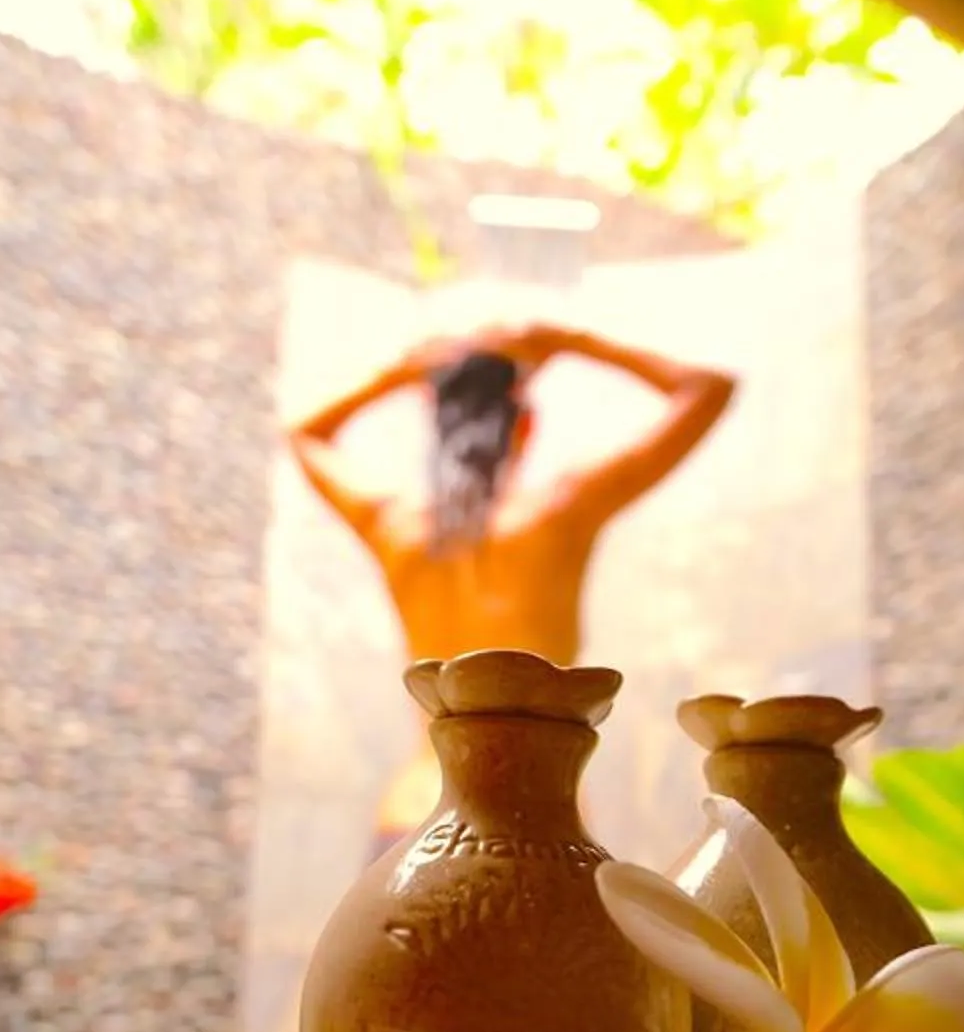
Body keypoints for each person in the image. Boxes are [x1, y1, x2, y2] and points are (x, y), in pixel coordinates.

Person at [286, 321, 737, 850]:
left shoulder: (396, 526)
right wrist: (571, 341)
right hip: (532, 818)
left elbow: (305, 434)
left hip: (410, 823)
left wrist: (403, 374)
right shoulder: (559, 511)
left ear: (437, 425)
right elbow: (708, 390)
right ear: (526, 428)